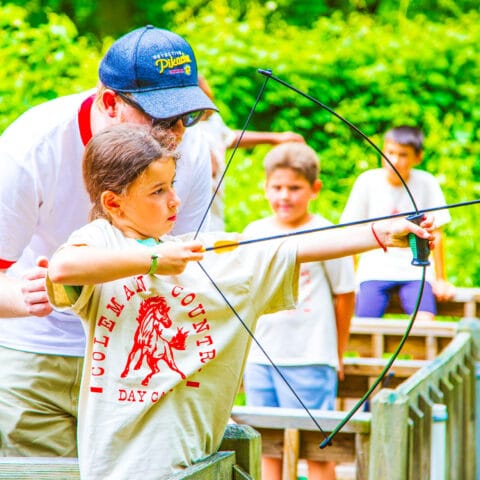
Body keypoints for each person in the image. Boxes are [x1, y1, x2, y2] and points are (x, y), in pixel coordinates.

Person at [45, 123, 434, 479]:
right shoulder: (103, 244)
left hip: (191, 464)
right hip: (115, 466)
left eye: (173, 186)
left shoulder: (205, 260)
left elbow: (297, 246)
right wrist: (154, 260)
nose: (175, 201)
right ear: (114, 204)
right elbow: (63, 267)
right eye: (158, 191)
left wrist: (382, 232)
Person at [0, 25, 217, 457]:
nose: (174, 132)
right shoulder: (31, 148)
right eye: (158, 116)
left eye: (185, 117)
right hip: (39, 356)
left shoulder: (185, 152)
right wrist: (21, 298)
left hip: (139, 354)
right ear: (109, 101)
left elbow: (191, 264)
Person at [242, 142, 355, 480]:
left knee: (319, 451)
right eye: (277, 187)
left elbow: (345, 296)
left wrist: (337, 354)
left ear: (314, 189)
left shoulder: (330, 235)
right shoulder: (254, 233)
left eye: (294, 188)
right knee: (266, 448)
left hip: (311, 358)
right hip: (261, 360)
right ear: (264, 188)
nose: (285, 196)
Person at [340, 125, 455, 321]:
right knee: (365, 326)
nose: (394, 161)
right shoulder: (367, 181)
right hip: (374, 269)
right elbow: (351, 231)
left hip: (415, 270)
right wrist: (348, 280)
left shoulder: (426, 182)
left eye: (403, 154)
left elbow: (437, 233)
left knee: (424, 324)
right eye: (390, 152)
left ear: (417, 157)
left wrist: (441, 279)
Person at [195, 75, 305, 231]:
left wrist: (275, 138)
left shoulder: (211, 120)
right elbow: (210, 169)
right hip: (191, 219)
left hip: (214, 217)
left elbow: (229, 137)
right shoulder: (180, 128)